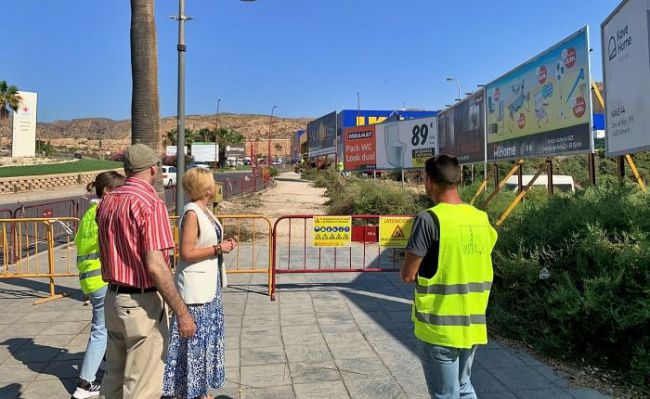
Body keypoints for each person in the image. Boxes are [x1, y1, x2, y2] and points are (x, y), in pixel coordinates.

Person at [97, 144, 196, 399]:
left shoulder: (108, 201)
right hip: (141, 304)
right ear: (153, 168)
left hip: (113, 299)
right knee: (142, 386)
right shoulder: (151, 204)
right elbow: (155, 265)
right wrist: (182, 313)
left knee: (114, 378)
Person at [400, 155, 498, 399]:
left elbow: (408, 275)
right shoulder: (480, 218)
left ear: (429, 181)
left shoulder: (428, 220)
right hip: (472, 323)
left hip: (439, 328)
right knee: (463, 387)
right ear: (458, 180)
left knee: (446, 394)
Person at [163, 167, 237, 399]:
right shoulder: (193, 212)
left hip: (209, 287)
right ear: (205, 188)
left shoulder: (203, 210)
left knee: (204, 340)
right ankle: (191, 390)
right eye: (212, 182)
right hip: (196, 291)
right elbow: (186, 252)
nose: (215, 186)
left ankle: (198, 388)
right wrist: (218, 248)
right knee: (194, 340)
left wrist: (222, 244)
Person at [71, 171, 125, 399]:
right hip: (101, 280)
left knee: (107, 326)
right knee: (100, 330)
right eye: (119, 191)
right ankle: (85, 384)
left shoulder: (89, 213)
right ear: (107, 192)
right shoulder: (102, 214)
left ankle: (103, 363)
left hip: (90, 280)